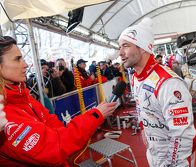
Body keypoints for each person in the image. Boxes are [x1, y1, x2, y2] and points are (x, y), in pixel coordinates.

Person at [0, 36, 117, 166]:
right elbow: (53, 147)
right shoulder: (3, 115)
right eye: (17, 59)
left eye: (22, 57)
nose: (26, 64)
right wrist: (96, 115)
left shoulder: (23, 95)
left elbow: (56, 127)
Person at [118, 18, 196, 167]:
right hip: (154, 153)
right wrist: (143, 128)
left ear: (142, 47)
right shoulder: (136, 77)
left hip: (174, 158)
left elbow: (182, 133)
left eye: (125, 46)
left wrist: (172, 163)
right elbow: (141, 107)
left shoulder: (168, 82)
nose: (120, 53)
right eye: (119, 47)